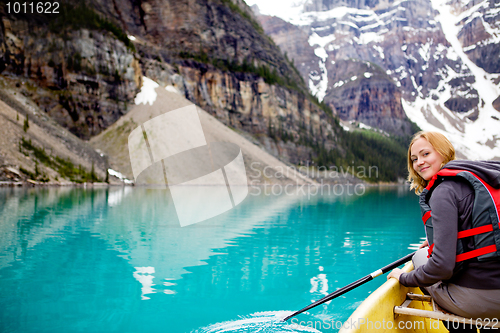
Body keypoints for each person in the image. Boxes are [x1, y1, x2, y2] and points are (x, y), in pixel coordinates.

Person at [387, 131, 500, 332]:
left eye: (425, 154)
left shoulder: (443, 191)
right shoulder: (475, 181)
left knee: (420, 256)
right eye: (414, 159)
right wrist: (437, 240)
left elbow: (441, 267)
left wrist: (403, 277)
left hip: (487, 300)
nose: (419, 163)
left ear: (443, 152)